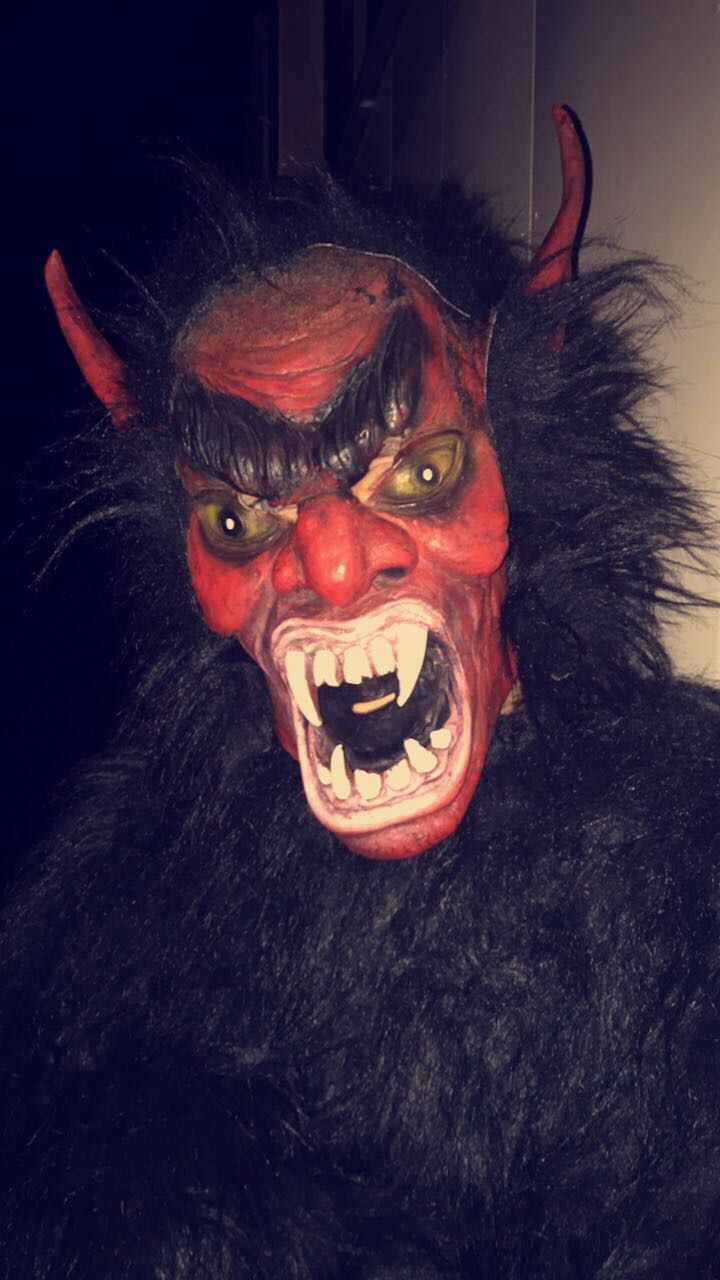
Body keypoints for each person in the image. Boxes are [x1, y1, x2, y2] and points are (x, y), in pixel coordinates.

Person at [2, 107, 719, 1278]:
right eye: (239, 519)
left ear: (525, 467)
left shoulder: (685, 849)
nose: (332, 565)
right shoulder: (139, 878)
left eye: (422, 469)